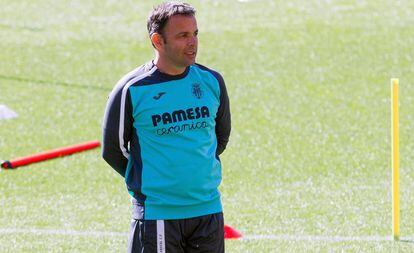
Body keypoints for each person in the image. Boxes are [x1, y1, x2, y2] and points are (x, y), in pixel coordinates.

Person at [102, 1, 231, 252]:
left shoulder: (212, 81)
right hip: (157, 215)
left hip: (208, 211)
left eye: (195, 34)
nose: (192, 42)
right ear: (158, 41)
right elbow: (113, 150)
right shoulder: (132, 89)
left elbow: (220, 138)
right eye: (182, 35)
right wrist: (150, 178)